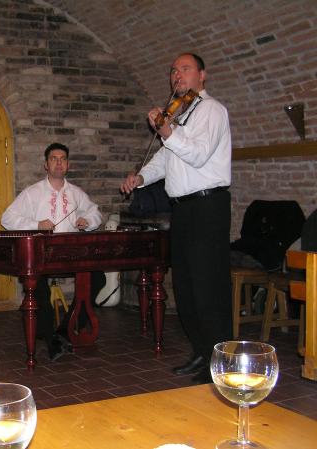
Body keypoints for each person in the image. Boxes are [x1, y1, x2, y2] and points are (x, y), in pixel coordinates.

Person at [121, 53, 232, 384]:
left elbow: (197, 154)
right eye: (173, 70)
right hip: (182, 209)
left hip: (207, 207)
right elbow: (164, 159)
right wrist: (141, 177)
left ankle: (219, 361)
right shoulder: (182, 114)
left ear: (202, 75)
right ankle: (201, 351)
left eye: (185, 69)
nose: (177, 75)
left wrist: (167, 130)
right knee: (185, 285)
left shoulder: (212, 110)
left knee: (208, 285)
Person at [1, 142, 104, 361]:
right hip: (42, 253)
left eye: (63, 159)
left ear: (68, 165)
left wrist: (87, 221)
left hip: (71, 252)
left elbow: (96, 213)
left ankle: (66, 329)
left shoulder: (76, 193)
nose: (59, 163)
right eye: (54, 159)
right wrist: (36, 224)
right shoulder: (33, 192)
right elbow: (7, 218)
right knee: (36, 284)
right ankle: (50, 338)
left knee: (97, 278)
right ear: (46, 165)